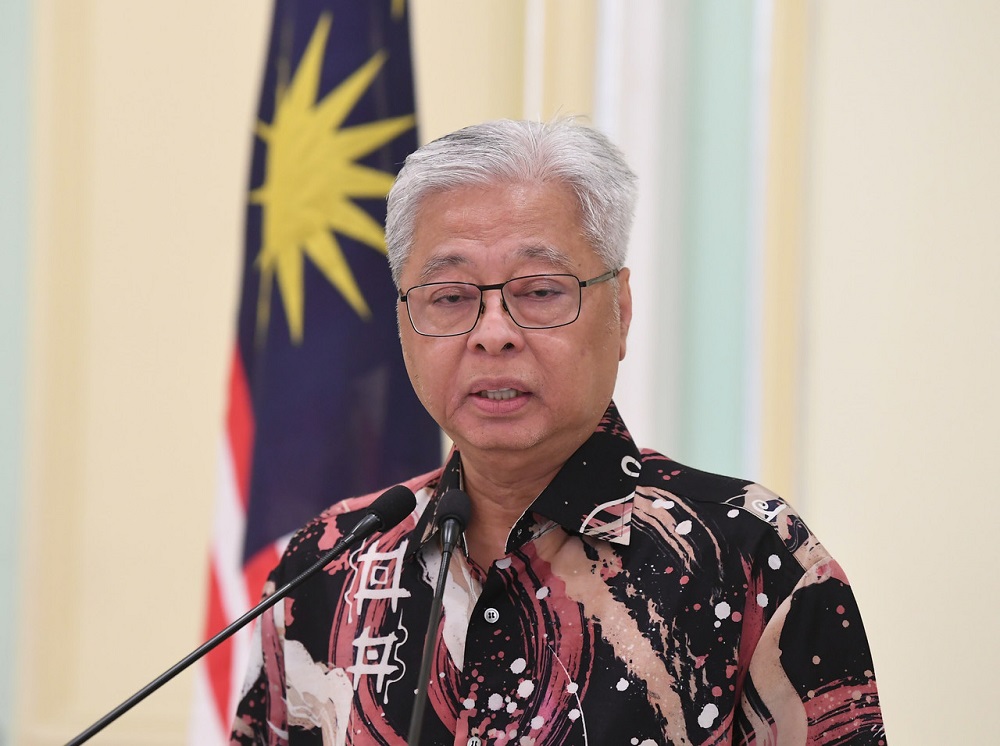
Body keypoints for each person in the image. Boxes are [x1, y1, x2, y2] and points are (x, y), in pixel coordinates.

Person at [230, 119, 886, 745]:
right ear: (403, 321)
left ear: (621, 311)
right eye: (451, 297)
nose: (493, 333)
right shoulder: (330, 565)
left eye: (540, 291)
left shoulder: (748, 556)